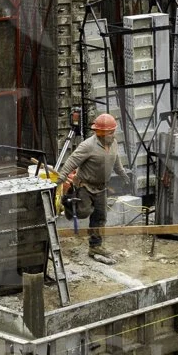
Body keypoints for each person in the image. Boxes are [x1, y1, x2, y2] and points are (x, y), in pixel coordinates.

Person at [58, 113, 123, 265]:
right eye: (108, 132)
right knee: (83, 212)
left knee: (100, 218)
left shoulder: (114, 143)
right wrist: (61, 177)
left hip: (101, 188)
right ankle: (67, 202)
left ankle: (95, 246)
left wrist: (122, 174)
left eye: (113, 131)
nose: (112, 135)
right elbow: (72, 161)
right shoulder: (88, 146)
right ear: (99, 133)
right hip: (85, 185)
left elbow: (116, 159)